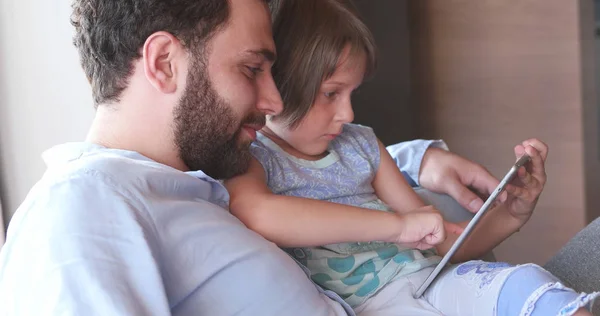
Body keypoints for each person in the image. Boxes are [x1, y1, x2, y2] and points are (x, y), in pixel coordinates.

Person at [0, 0, 521, 315]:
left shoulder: (196, 178)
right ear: (164, 63)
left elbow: (305, 163)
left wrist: (415, 158)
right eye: (252, 70)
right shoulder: (81, 209)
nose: (274, 102)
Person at [224, 0, 598, 315]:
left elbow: (438, 239)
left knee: (531, 285)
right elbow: (257, 212)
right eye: (331, 94)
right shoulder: (257, 157)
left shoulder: (362, 146)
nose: (349, 114)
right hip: (372, 306)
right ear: (281, 84)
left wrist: (512, 214)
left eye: (352, 94)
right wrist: (397, 227)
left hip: (430, 282)